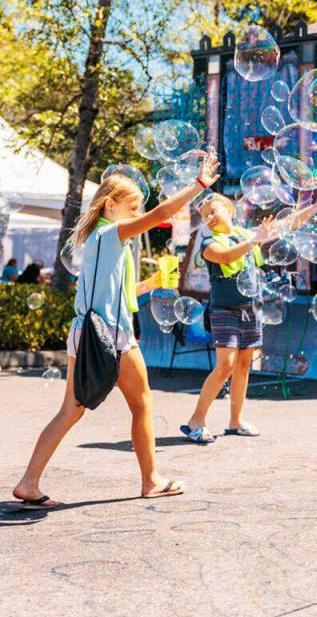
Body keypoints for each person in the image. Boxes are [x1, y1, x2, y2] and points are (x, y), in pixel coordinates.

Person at [11, 156, 220, 508]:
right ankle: (151, 480)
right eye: (132, 206)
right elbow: (157, 216)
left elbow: (116, 294)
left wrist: (150, 283)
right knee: (142, 404)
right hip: (111, 334)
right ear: (110, 204)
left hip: (85, 331)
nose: (137, 212)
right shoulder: (111, 233)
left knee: (71, 410)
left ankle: (29, 482)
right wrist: (197, 187)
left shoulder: (98, 239)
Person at [180, 187, 317, 444]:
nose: (210, 217)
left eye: (214, 210)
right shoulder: (209, 243)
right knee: (225, 365)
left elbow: (283, 225)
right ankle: (196, 420)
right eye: (205, 215)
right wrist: (254, 241)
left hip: (250, 309)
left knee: (245, 364)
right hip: (224, 310)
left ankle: (235, 421)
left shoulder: (244, 235)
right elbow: (225, 257)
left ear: (230, 210)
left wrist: (312, 208)